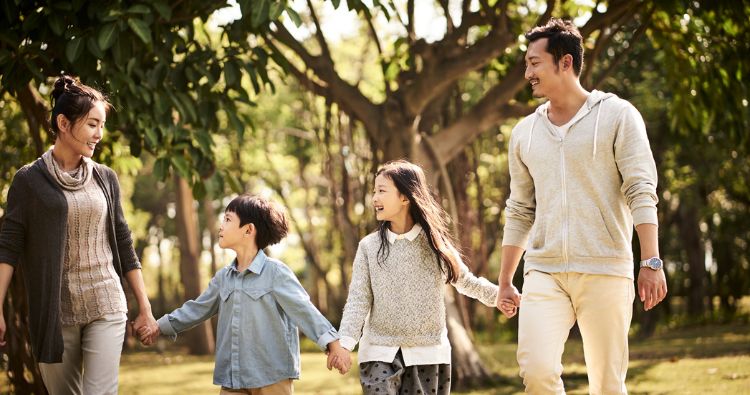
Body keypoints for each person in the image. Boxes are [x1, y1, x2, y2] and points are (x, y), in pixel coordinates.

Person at [495, 18, 668, 394]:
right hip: (545, 270)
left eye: (534, 63)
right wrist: (507, 279)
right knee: (537, 371)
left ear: (565, 62)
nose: (527, 73)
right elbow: (521, 208)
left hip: (605, 265)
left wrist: (650, 261)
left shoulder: (618, 116)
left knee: (607, 383)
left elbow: (641, 190)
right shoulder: (524, 133)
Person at [0, 75, 157, 394]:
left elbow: (124, 244)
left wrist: (144, 306)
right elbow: (8, 248)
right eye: (92, 124)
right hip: (55, 313)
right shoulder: (29, 181)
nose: (99, 134)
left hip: (106, 302)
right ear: (63, 122)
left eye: (102, 125)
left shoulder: (105, 178)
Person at [137, 194, 348, 395]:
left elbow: (304, 310)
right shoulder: (223, 278)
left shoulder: (276, 273)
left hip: (272, 378)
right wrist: (159, 326)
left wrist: (333, 344)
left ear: (248, 230)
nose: (221, 226)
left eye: (228, 219)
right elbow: (196, 309)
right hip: (232, 378)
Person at [334, 160, 501, 395]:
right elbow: (358, 300)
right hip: (379, 352)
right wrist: (345, 344)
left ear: (405, 197)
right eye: (374, 191)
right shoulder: (369, 247)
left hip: (428, 354)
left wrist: (500, 296)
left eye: (381, 191)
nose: (374, 198)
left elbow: (466, 281)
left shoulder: (436, 246)